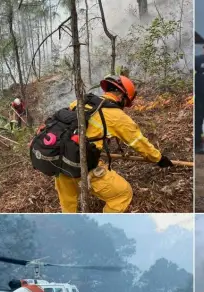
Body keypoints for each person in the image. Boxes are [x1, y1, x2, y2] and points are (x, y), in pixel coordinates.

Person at [57, 75, 173, 213]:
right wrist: (159, 158)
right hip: (82, 168)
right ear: (122, 97)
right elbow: (139, 142)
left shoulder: (81, 102)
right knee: (123, 194)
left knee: (68, 205)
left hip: (59, 163)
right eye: (126, 102)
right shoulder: (116, 116)